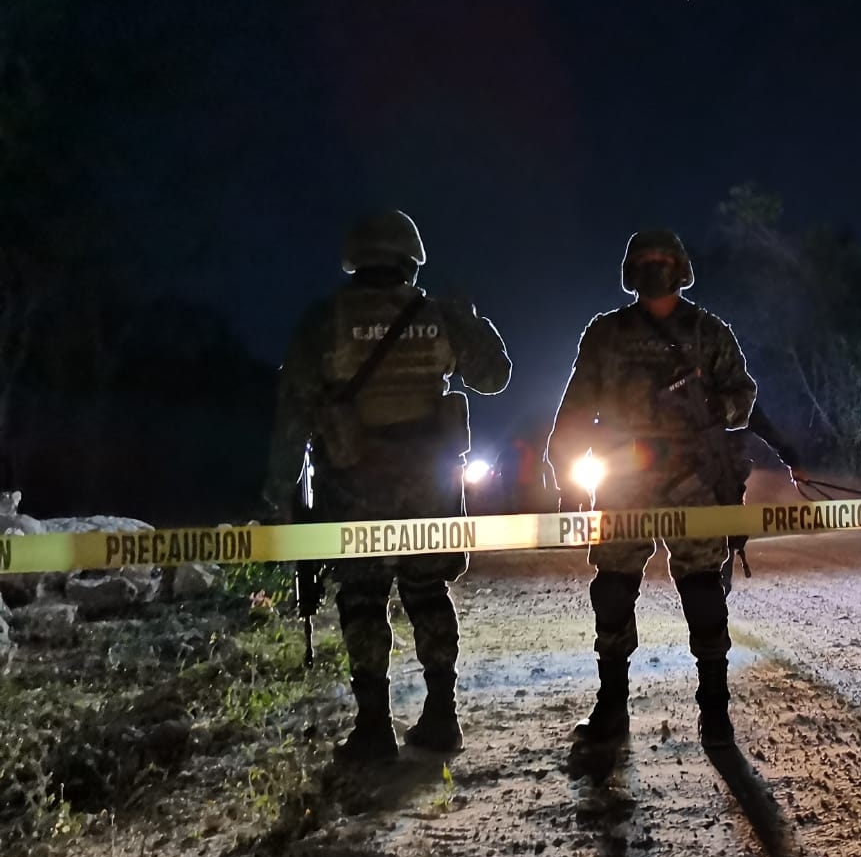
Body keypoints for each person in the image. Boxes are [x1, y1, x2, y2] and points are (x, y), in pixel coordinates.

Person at [265, 209, 512, 764]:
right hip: (428, 483)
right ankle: (442, 717)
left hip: (354, 484)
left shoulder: (324, 319)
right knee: (428, 593)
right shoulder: (440, 316)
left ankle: (374, 725)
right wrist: (469, 318)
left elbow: (293, 413)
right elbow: (495, 377)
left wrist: (278, 491)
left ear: (355, 258)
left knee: (363, 598)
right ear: (410, 257)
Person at [546, 229, 757, 750]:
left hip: (692, 476)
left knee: (703, 590)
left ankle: (716, 716)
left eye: (661, 259)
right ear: (631, 270)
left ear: (679, 267)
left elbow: (742, 397)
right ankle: (612, 711)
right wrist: (564, 469)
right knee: (614, 590)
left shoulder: (708, 332)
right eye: (645, 259)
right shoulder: (607, 334)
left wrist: (708, 409)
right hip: (625, 477)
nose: (654, 267)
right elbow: (575, 408)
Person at [722, 402, 807, 594]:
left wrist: (793, 462)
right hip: (713, 483)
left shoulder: (733, 394)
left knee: (722, 542)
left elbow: (768, 430)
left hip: (721, 482)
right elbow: (769, 431)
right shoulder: (735, 393)